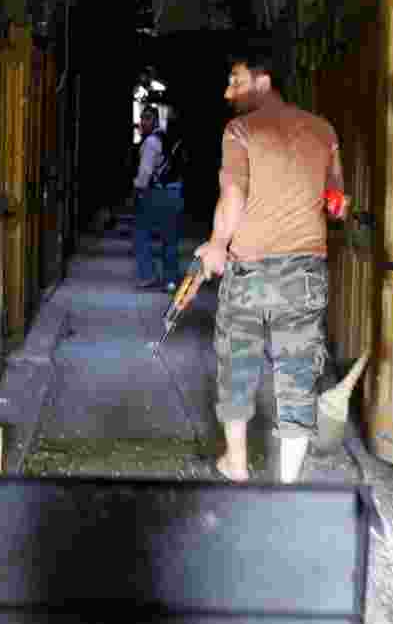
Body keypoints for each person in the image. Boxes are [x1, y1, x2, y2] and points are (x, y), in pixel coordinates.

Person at [180, 49, 348, 483]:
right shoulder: (324, 130)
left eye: (235, 81)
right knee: (298, 370)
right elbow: (337, 202)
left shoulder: (240, 130)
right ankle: (288, 483)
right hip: (305, 270)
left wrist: (217, 244)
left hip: (251, 269)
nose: (227, 92)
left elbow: (233, 194)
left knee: (237, 362)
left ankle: (236, 465)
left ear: (263, 81)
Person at [132, 106, 184, 290]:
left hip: (157, 193)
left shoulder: (151, 142)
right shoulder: (167, 138)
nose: (143, 122)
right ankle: (170, 280)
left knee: (140, 233)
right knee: (170, 238)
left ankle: (148, 275)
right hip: (175, 190)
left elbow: (145, 172)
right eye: (142, 118)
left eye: (147, 118)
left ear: (154, 120)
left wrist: (138, 188)